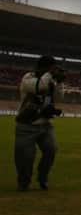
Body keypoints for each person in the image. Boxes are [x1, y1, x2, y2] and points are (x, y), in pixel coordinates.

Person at [14, 55, 65, 191]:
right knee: (26, 158)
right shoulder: (28, 78)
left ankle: (43, 177)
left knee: (51, 150)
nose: (54, 72)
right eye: (52, 68)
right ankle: (24, 182)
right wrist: (49, 74)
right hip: (26, 125)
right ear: (42, 68)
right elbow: (39, 87)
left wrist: (59, 83)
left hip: (45, 125)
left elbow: (59, 98)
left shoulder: (50, 82)